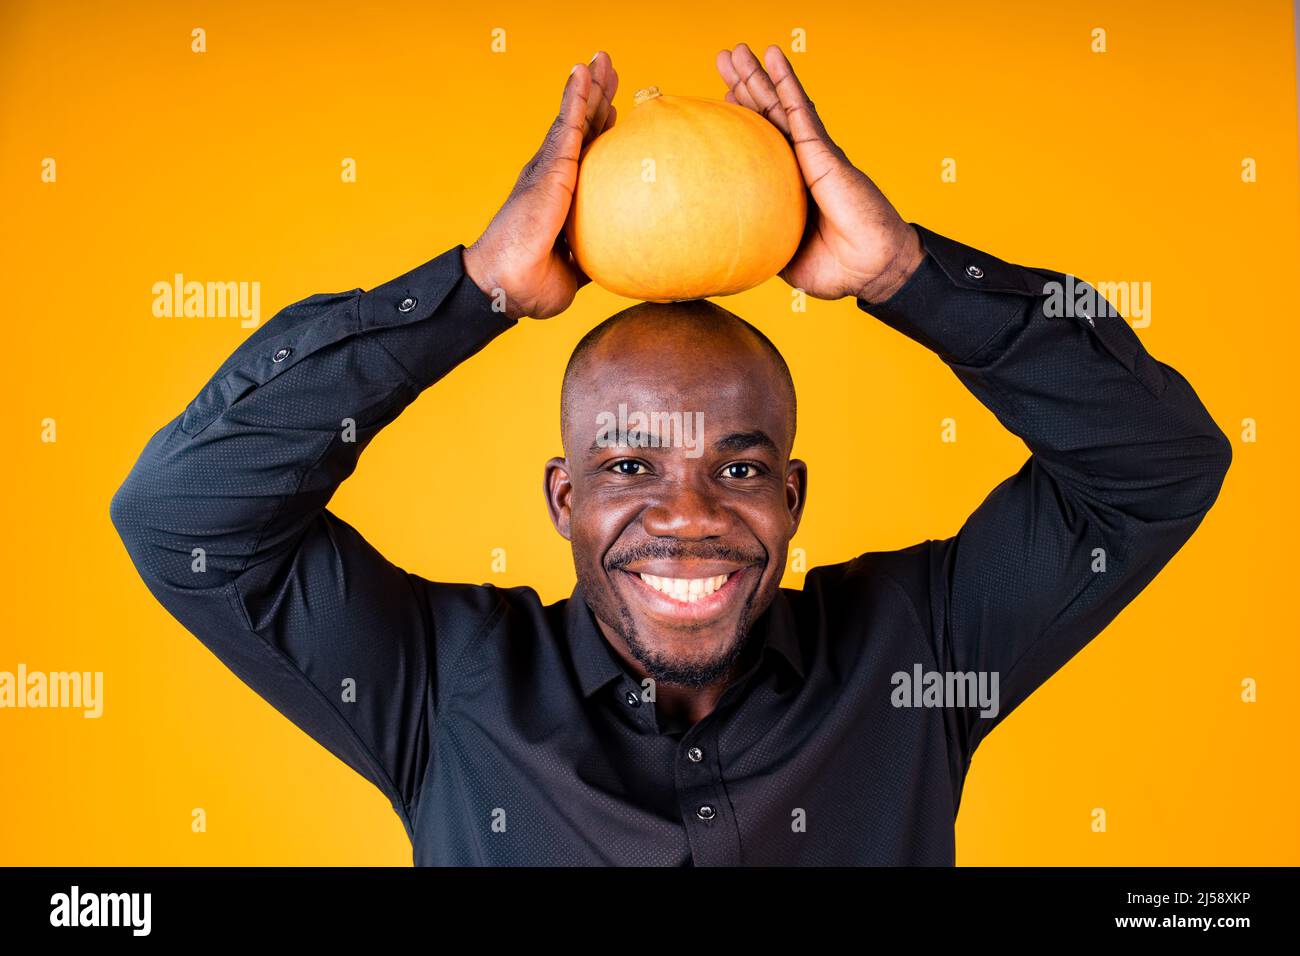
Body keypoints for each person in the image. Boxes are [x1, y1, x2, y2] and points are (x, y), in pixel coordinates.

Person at [110, 44, 1231, 865]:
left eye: (739, 468)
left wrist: (907, 275)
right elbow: (183, 513)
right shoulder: (440, 687)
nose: (688, 511)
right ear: (564, 497)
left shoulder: (920, 650)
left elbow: (1156, 459)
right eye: (630, 466)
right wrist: (470, 293)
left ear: (792, 494)